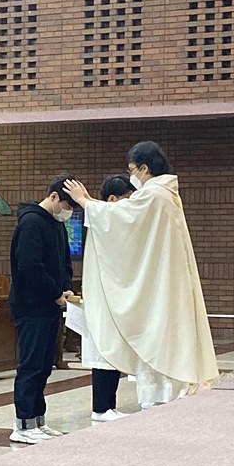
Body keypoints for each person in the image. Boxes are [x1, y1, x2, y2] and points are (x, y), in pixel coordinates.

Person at [64, 141, 219, 409]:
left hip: (161, 282)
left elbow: (121, 218)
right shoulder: (165, 194)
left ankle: (160, 395)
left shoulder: (154, 194)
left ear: (145, 168)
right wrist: (91, 204)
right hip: (166, 278)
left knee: (158, 333)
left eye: (132, 170)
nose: (132, 175)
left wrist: (84, 201)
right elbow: (123, 216)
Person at [8, 174, 78, 444]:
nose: (67, 212)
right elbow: (30, 265)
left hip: (50, 307)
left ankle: (38, 420)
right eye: (67, 205)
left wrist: (66, 287)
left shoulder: (56, 224)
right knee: (31, 365)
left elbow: (64, 262)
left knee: (45, 365)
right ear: (53, 196)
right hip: (31, 306)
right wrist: (54, 293)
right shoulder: (31, 222)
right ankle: (23, 423)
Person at [84, 175, 136, 422]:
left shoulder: (114, 221)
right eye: (128, 199)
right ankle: (101, 407)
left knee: (114, 351)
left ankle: (109, 405)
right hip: (103, 295)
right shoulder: (102, 221)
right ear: (113, 200)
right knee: (104, 352)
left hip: (117, 294)